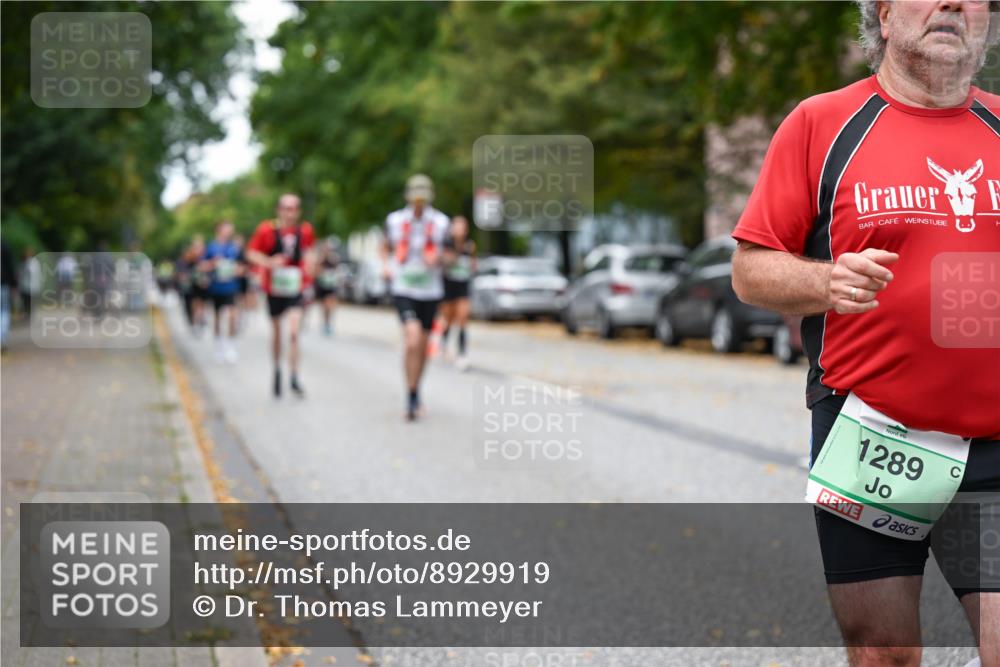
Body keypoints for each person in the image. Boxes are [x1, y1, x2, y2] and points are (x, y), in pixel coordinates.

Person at [730, 2, 999, 665]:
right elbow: (748, 269)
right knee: (884, 651)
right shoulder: (823, 124)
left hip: (996, 439)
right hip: (873, 430)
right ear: (881, 16)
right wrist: (825, 283)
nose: (952, 5)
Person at [380, 174, 450, 421]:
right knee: (411, 340)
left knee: (423, 345)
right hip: (404, 287)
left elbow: (450, 255)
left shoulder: (441, 222)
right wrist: (386, 265)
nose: (419, 204)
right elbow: (385, 245)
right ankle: (409, 395)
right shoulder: (395, 220)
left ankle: (415, 389)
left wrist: (440, 259)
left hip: (431, 290)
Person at [246, 193, 315, 398]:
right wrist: (268, 263)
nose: (290, 212)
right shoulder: (267, 230)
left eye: (293, 208)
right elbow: (251, 253)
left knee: (293, 331)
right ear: (279, 210)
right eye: (286, 208)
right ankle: (277, 368)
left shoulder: (305, 231)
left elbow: (310, 252)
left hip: (296, 287)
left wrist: (311, 265)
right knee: (277, 332)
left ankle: (294, 375)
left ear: (298, 211)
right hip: (274, 288)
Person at [439, 215, 477, 370]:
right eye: (457, 226)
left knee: (462, 317)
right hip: (449, 286)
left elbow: (473, 263)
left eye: (462, 227)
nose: (460, 230)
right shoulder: (447, 244)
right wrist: (457, 251)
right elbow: (446, 262)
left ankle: (462, 353)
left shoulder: (470, 245)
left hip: (463, 285)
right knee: (448, 318)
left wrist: (472, 265)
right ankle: (443, 343)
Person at [203, 221, 242, 363]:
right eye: (227, 229)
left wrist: (238, 270)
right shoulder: (211, 247)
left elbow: (242, 266)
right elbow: (202, 266)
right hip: (216, 287)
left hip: (231, 286)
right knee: (218, 317)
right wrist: (212, 263)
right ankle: (219, 346)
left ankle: (231, 345)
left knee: (232, 316)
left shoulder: (234, 248)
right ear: (219, 230)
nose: (229, 231)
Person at [313, 239, 341, 336]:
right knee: (324, 306)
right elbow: (315, 271)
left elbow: (337, 269)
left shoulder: (333, 258)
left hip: (331, 285)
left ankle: (328, 323)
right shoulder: (319, 258)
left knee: (330, 305)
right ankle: (325, 323)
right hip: (322, 285)